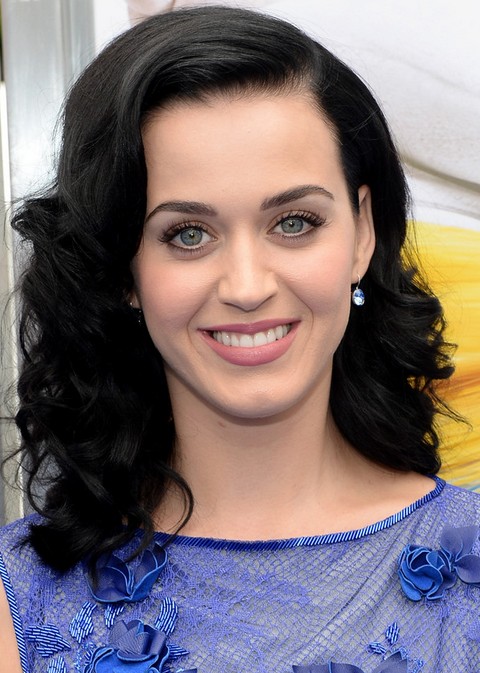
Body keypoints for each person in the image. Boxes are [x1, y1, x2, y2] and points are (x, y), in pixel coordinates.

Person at [1, 6, 479, 672]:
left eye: (295, 222)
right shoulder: (19, 599)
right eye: (187, 234)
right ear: (122, 270)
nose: (248, 286)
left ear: (362, 233)